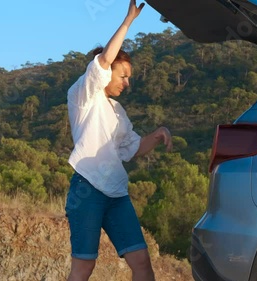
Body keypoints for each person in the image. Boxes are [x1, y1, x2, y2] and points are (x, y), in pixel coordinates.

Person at [64, 0, 173, 280]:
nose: (127, 83)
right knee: (84, 267)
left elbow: (133, 148)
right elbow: (103, 61)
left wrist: (158, 134)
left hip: (117, 195)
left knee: (142, 263)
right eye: (123, 75)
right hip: (87, 190)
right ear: (107, 71)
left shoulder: (117, 112)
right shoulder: (84, 95)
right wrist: (128, 22)